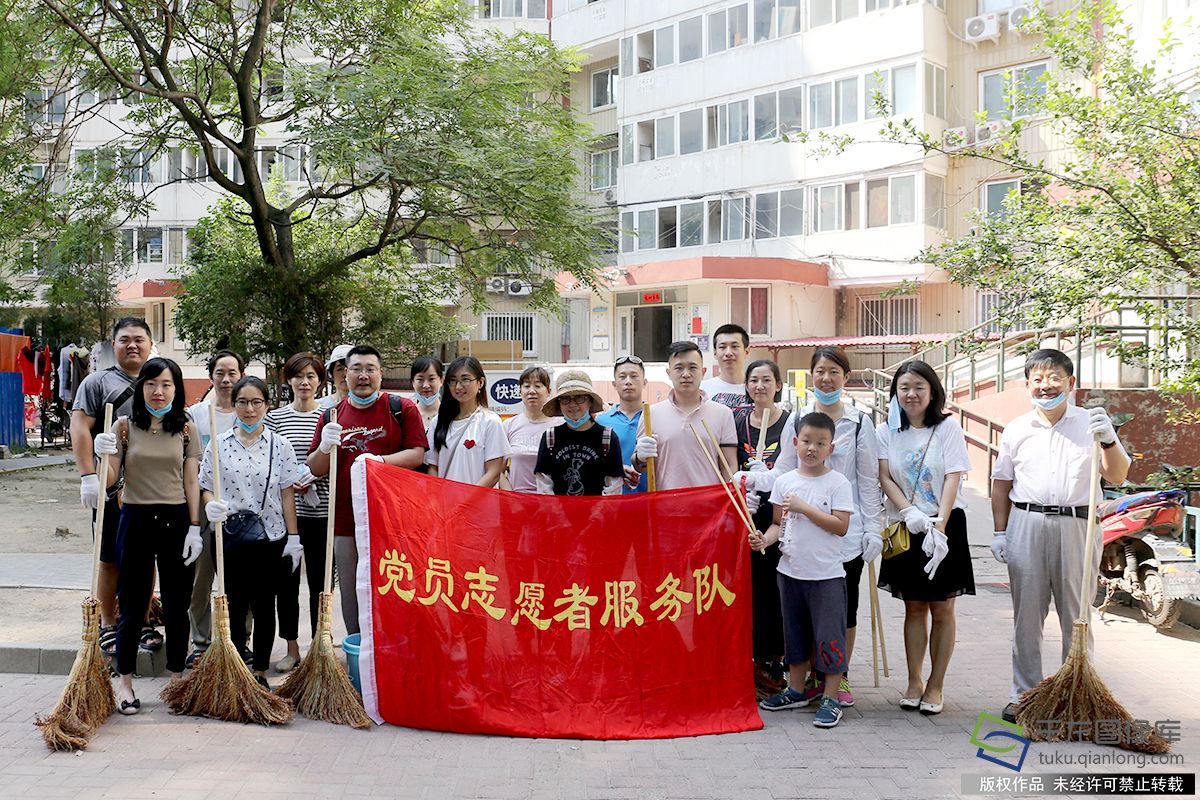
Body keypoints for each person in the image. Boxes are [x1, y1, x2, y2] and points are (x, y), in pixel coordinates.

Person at [990, 349, 1129, 723]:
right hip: (1027, 524)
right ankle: (1025, 696)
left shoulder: (1092, 424)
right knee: (1026, 617)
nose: (1045, 385)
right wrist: (999, 533)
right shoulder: (1017, 429)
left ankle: (1076, 696)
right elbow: (1001, 484)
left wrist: (1110, 440)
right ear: (1028, 386)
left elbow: (1117, 476)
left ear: (1070, 384)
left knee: (1076, 616)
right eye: (1037, 379)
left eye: (1054, 378)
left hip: (1078, 527)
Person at [772, 346, 882, 707]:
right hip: (802, 535)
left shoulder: (860, 421)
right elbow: (784, 468)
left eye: (834, 371)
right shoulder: (798, 416)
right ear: (811, 374)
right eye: (820, 370)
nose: (826, 378)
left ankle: (840, 678)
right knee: (804, 612)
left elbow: (867, 480)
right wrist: (757, 479)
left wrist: (872, 528)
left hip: (844, 528)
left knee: (842, 610)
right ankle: (806, 683)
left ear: (845, 377)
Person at [92, 358, 201, 714]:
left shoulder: (185, 427)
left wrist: (196, 527)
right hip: (135, 518)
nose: (158, 391)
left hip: (176, 519)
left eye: (166, 384)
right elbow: (108, 482)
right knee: (133, 604)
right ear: (141, 388)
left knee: (175, 602)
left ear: (176, 388)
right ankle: (125, 683)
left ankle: (175, 679)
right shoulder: (123, 427)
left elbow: (191, 481)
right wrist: (103, 454)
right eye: (151, 384)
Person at [308, 345, 428, 636]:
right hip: (346, 522)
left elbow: (417, 454)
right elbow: (315, 467)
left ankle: (391, 649)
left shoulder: (400, 408)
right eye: (356, 369)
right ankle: (356, 649)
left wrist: (381, 462)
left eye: (369, 369)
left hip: (394, 522)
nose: (363, 375)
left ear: (380, 373)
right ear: (345, 374)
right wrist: (325, 446)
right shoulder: (331, 416)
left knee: (392, 585)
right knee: (350, 589)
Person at [876, 360, 974, 716]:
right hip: (906, 526)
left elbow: (953, 475)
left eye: (919, 387)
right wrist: (909, 512)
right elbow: (885, 477)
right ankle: (914, 680)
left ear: (932, 391)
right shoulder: (887, 430)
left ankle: (936, 684)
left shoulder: (948, 427)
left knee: (943, 607)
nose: (911, 394)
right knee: (914, 605)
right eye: (904, 388)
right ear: (895, 393)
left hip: (946, 526)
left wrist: (940, 524)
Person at [755, 412, 855, 729]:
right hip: (790, 571)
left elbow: (840, 526)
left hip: (826, 575)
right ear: (796, 442)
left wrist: (805, 508)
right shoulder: (784, 481)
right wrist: (763, 540)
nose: (812, 448)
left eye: (820, 443)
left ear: (831, 447)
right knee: (793, 634)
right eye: (807, 441)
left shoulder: (838, 483)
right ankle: (796, 690)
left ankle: (830, 697)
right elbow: (776, 525)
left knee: (829, 637)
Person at [200, 376, 300, 689]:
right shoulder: (219, 444)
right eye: (242, 402)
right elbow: (205, 486)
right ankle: (235, 666)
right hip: (229, 536)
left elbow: (286, 494)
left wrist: (294, 539)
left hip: (270, 537)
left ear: (267, 405)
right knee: (233, 603)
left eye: (256, 402)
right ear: (234, 405)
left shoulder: (280, 446)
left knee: (264, 604)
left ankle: (259, 671)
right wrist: (210, 505)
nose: (249, 408)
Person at [70, 316, 153, 655]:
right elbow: (79, 428)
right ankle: (107, 622)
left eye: (139, 339)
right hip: (110, 487)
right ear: (114, 345)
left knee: (145, 559)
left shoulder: (159, 380)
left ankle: (143, 620)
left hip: (152, 488)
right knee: (109, 559)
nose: (132, 345)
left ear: (149, 344)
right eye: (124, 339)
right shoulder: (97, 383)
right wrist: (88, 475)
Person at [265, 352, 328, 672]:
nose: (305, 382)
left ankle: (320, 645)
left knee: (320, 583)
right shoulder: (275, 418)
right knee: (286, 584)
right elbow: (268, 459)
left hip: (323, 515)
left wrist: (312, 475)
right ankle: (291, 647)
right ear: (287, 380)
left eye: (311, 376)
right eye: (298, 376)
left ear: (320, 381)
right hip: (286, 514)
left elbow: (335, 459)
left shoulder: (330, 415)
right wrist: (292, 480)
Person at [731, 359, 790, 699]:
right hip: (744, 513)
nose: (760, 387)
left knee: (773, 592)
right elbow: (728, 462)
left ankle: (774, 663)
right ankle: (748, 664)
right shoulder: (739, 422)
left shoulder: (789, 421)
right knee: (748, 590)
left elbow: (796, 466)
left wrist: (765, 476)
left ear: (778, 385)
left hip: (780, 516)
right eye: (753, 380)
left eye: (767, 380)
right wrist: (742, 484)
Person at [185, 349, 246, 668]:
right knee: (201, 579)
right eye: (220, 373)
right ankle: (200, 641)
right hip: (204, 509)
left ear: (241, 375)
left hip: (240, 512)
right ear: (211, 376)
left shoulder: (247, 412)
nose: (226, 379)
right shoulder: (196, 414)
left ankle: (240, 639)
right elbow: (189, 465)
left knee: (239, 580)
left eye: (232, 373)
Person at [634, 341, 737, 490]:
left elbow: (729, 465)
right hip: (666, 506)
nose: (686, 374)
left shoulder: (723, 414)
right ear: (669, 373)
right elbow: (640, 466)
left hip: (709, 508)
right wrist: (640, 457)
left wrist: (731, 500)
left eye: (693, 367)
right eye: (679, 368)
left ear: (703, 371)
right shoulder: (651, 414)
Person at [533, 371, 624, 496]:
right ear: (559, 404)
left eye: (580, 398)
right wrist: (558, 514)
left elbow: (614, 486)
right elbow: (544, 484)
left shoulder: (607, 437)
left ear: (590, 401)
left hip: (599, 514)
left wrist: (596, 515)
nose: (572, 404)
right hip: (558, 514)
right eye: (565, 399)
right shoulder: (550, 437)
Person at [425, 356, 511, 487]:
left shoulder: (491, 421)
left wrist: (466, 502)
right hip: (446, 504)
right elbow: (433, 467)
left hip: (479, 505)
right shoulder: (438, 421)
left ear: (480, 382)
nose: (458, 387)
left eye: (465, 379)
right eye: (453, 381)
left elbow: (493, 473)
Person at [596, 355, 649, 494]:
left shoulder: (655, 417)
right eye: (622, 377)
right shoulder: (601, 422)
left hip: (650, 502)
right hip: (612, 503)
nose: (628, 382)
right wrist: (616, 468)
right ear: (614, 384)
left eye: (634, 376)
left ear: (644, 382)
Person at [503, 366, 560, 492]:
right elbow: (498, 471)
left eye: (538, 386)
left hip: (551, 504)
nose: (532, 391)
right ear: (520, 391)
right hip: (516, 504)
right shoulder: (509, 425)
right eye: (527, 386)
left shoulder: (561, 426)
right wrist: (512, 499)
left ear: (549, 391)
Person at [701, 323, 753, 413]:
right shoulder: (702, 390)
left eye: (734, 346)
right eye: (722, 347)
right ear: (715, 353)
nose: (728, 353)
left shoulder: (757, 389)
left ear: (747, 351)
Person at [410, 355, 444, 445]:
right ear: (413, 382)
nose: (426, 385)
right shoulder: (407, 416)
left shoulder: (451, 415)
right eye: (420, 380)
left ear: (441, 380)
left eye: (431, 379)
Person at [319, 344, 352, 410]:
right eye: (339, 369)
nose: (345, 374)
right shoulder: (320, 406)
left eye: (350, 369)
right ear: (332, 374)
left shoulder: (368, 406)